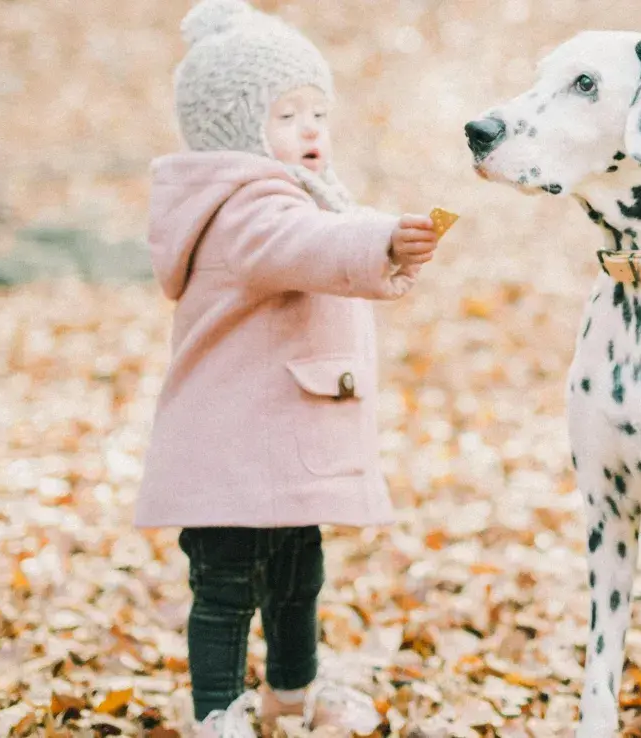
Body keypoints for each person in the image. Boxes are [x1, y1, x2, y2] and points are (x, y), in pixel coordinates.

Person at [135, 0, 439, 733]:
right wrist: (379, 244)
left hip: (275, 451)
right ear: (238, 130)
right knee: (226, 591)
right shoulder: (246, 208)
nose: (311, 129)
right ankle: (216, 713)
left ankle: (293, 693)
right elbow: (306, 246)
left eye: (318, 113)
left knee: (299, 578)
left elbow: (321, 233)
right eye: (286, 115)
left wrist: (377, 238)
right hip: (233, 454)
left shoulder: (299, 197)